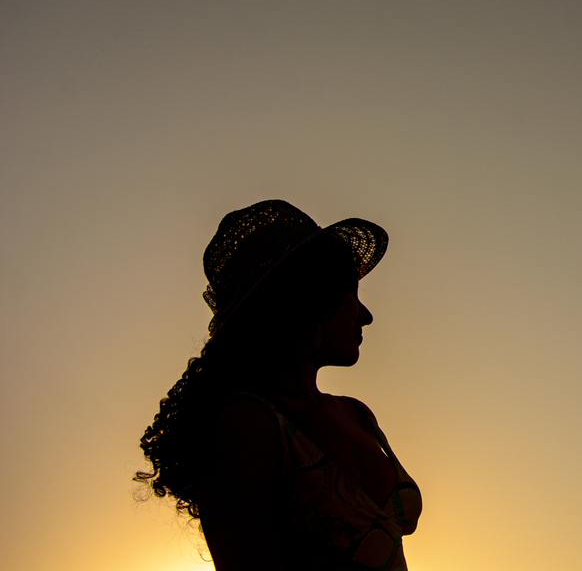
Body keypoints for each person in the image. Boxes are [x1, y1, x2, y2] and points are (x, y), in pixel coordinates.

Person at [137, 200, 421, 571]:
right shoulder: (246, 424)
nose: (365, 315)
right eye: (350, 293)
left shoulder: (358, 414)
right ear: (307, 300)